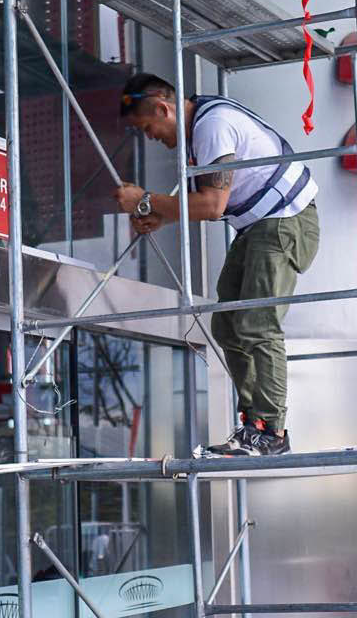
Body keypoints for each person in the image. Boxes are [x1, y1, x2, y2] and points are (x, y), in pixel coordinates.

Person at [114, 72, 319, 456]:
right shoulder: (201, 128)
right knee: (228, 325)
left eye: (148, 127)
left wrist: (146, 201)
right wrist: (161, 213)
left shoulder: (213, 126)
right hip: (260, 224)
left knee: (257, 322)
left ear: (163, 108)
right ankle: (253, 425)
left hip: (282, 220)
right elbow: (204, 201)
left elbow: (212, 205)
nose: (151, 138)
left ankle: (271, 432)